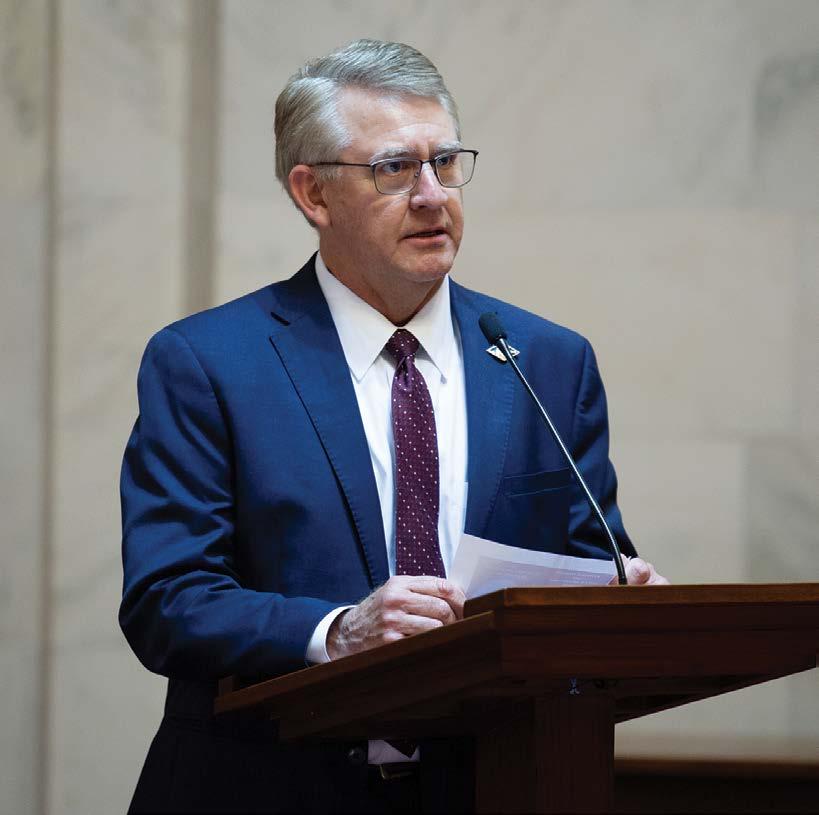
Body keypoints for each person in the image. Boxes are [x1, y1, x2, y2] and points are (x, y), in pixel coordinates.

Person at [120, 38, 668, 814]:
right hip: (267, 788)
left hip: (488, 786)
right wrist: (337, 630)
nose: (431, 195)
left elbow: (588, 561)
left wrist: (616, 600)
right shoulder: (208, 363)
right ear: (312, 193)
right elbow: (168, 600)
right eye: (393, 168)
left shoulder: (545, 361)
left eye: (444, 162)